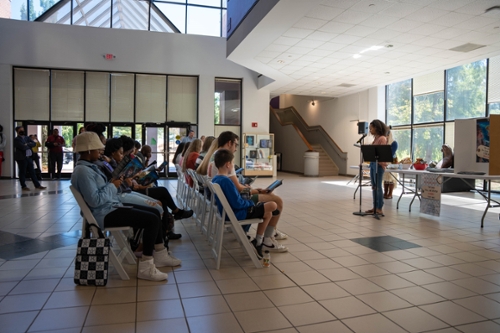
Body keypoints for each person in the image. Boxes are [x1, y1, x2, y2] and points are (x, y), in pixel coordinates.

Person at [71, 131, 180, 281]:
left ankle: (160, 254)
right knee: (152, 220)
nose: (101, 152)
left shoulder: (89, 167)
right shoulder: (83, 171)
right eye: (98, 149)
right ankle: (146, 266)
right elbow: (95, 200)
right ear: (89, 150)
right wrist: (113, 185)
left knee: (154, 213)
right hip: (103, 213)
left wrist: (113, 184)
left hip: (110, 207)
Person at [206, 131, 288, 250]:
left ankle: (269, 233)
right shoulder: (226, 159)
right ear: (229, 143)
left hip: (227, 201)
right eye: (236, 145)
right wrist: (255, 191)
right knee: (277, 201)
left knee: (270, 202)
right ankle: (268, 238)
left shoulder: (216, 156)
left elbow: (234, 186)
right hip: (236, 204)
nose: (235, 149)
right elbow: (238, 189)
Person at [212, 149, 278, 258]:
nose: (233, 166)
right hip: (238, 213)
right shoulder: (226, 181)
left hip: (230, 213)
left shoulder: (216, 179)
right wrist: (251, 203)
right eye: (233, 163)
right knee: (272, 205)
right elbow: (237, 203)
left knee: (268, 213)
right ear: (228, 164)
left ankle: (258, 242)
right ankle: (258, 241)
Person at [365, 119, 389, 216]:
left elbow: (382, 154)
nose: (370, 130)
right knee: (374, 186)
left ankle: (379, 207)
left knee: (378, 187)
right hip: (373, 165)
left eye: (371, 128)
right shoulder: (375, 139)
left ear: (376, 127)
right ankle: (374, 207)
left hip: (378, 166)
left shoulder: (382, 138)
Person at [14, 126, 46, 191]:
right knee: (22, 172)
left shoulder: (27, 138)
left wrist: (26, 144)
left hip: (29, 157)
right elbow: (22, 147)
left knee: (32, 172)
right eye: (21, 130)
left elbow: (34, 144)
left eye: (23, 129)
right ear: (17, 131)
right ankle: (23, 186)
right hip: (22, 158)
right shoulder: (16, 139)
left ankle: (37, 185)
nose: (22, 131)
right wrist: (28, 145)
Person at [383, 128, 398, 199]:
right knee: (386, 178)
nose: (386, 136)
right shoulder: (384, 142)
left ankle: (390, 193)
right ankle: (385, 192)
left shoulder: (394, 143)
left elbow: (391, 153)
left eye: (387, 135)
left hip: (392, 162)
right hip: (385, 161)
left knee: (391, 178)